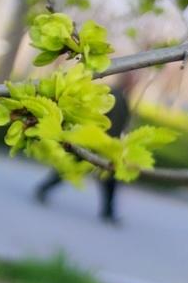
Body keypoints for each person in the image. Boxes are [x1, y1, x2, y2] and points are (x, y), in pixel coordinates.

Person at [33, 72, 136, 223]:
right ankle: (44, 188)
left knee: (106, 179)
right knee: (72, 169)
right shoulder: (115, 96)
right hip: (98, 143)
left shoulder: (122, 97)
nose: (134, 83)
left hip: (103, 144)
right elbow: (103, 120)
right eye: (132, 80)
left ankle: (108, 211)